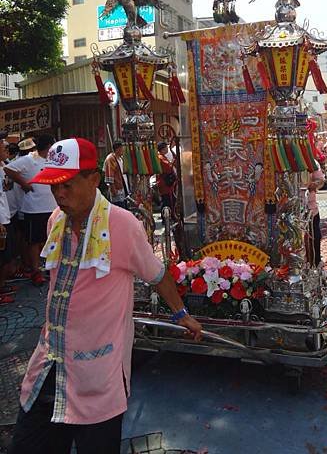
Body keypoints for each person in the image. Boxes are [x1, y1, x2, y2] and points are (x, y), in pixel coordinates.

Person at [8, 137, 202, 454]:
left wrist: (182, 315)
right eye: (54, 185)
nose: (59, 194)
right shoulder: (55, 220)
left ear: (94, 179)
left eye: (67, 185)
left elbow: (157, 275)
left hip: (96, 376)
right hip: (49, 366)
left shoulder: (122, 225)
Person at [5, 134, 57, 286]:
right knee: (34, 241)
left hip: (52, 207)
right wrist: (24, 184)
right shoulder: (29, 159)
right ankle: (36, 271)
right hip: (34, 208)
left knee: (51, 240)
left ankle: (51, 267)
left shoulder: (52, 160)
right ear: (48, 147)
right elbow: (8, 169)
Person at [0, 138, 15, 304]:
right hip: (1, 220)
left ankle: (3, 286)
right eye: (2, 144)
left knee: (6, 256)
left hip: (6, 216)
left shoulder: (4, 166)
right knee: (3, 257)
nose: (6, 146)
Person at [306, 164, 325, 266]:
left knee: (314, 237)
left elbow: (321, 181)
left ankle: (315, 263)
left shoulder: (311, 161)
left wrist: (315, 184)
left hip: (311, 209)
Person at [103, 140, 129, 209]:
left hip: (122, 189)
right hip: (116, 190)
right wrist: (113, 190)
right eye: (122, 148)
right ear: (118, 149)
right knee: (119, 208)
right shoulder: (111, 159)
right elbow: (109, 176)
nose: (123, 150)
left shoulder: (121, 159)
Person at [156, 141, 177, 217]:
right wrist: (172, 163)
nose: (167, 149)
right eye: (166, 148)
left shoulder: (162, 157)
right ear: (162, 149)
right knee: (166, 200)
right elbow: (168, 168)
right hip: (164, 183)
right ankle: (166, 217)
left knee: (166, 199)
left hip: (164, 182)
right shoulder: (160, 157)